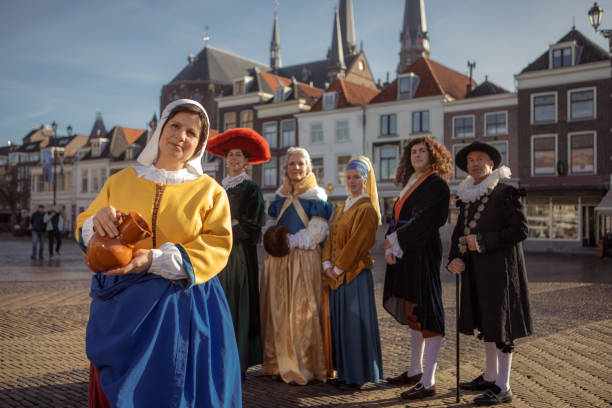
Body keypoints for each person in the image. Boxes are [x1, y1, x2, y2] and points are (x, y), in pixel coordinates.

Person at [76, 99, 241, 408]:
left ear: (199, 144)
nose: (181, 136)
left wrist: (155, 259)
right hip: (123, 304)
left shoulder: (210, 191)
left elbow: (218, 244)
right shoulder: (120, 181)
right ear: (161, 129)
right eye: (175, 126)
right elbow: (84, 223)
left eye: (191, 133)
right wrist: (96, 222)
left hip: (184, 305)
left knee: (175, 388)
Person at [447, 142, 532, 406]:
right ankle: (490, 375)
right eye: (470, 160)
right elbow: (460, 232)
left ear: (491, 164)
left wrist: (484, 240)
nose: (474, 163)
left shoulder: (505, 191)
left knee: (502, 327)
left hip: (501, 272)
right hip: (477, 272)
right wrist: (455, 258)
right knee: (487, 324)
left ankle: (503, 386)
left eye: (480, 159)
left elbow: (520, 230)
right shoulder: (470, 195)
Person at [383, 136, 452, 400]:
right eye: (413, 152)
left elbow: (425, 219)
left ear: (433, 155)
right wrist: (390, 246)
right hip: (405, 253)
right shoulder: (409, 184)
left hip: (422, 253)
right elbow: (396, 218)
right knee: (413, 311)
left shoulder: (437, 185)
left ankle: (429, 380)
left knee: (427, 311)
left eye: (423, 151)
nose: (417, 155)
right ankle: (414, 370)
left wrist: (395, 241)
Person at [260, 146, 332, 385]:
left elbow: (317, 231)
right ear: (286, 168)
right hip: (278, 260)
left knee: (300, 312)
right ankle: (278, 363)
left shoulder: (316, 195)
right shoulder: (279, 196)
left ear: (308, 167)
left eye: (301, 163)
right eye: (292, 164)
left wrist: (292, 241)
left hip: (302, 258)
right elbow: (270, 221)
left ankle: (304, 365)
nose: (297, 168)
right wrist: (271, 237)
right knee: (278, 310)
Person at [206, 127, 270, 379]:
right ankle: (217, 356)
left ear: (246, 161)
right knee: (216, 304)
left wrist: (228, 225)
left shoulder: (251, 190)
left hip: (238, 256)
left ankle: (237, 360)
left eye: (238, 156)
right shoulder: (216, 188)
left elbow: (253, 228)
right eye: (230, 155)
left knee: (235, 303)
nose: (233, 160)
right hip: (215, 254)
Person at [322, 156, 383, 389]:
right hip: (336, 276)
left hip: (355, 275)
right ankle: (345, 372)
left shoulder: (367, 209)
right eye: (348, 177)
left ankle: (358, 375)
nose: (352, 181)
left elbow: (358, 243)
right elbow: (330, 237)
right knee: (341, 325)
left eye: (357, 177)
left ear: (365, 180)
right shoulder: (340, 207)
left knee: (355, 324)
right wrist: (326, 264)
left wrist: (337, 268)